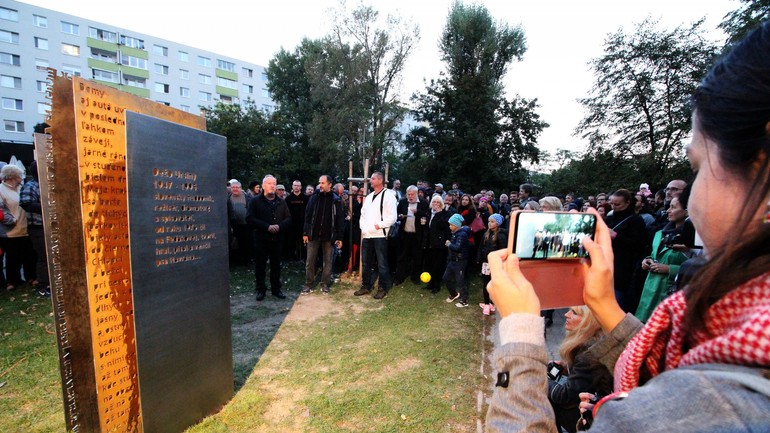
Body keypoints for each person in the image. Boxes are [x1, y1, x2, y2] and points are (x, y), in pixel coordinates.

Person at [484, 22, 770, 432]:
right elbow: (663, 380)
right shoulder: (738, 342)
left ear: (760, 172)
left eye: (698, 167)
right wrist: (605, 306)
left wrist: (520, 337)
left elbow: (671, 404)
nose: (690, 199)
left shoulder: (715, 409)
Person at [547, 306, 612, 433]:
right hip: (598, 409)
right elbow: (587, 379)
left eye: (574, 313)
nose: (566, 314)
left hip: (592, 420)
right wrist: (566, 367)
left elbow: (565, 396)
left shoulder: (588, 354)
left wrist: (544, 382)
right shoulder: (594, 342)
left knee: (546, 398)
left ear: (588, 322)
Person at [634, 195, 690, 322]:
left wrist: (670, 269)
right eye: (668, 207)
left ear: (687, 211)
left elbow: (700, 267)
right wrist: (647, 260)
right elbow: (655, 255)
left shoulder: (692, 239)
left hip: (671, 293)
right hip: (649, 290)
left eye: (673, 207)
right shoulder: (660, 233)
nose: (668, 210)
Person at [247, 175, 291, 301]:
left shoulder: (281, 201)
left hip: (277, 239)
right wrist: (267, 227)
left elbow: (288, 218)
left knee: (276, 265)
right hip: (261, 238)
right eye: (269, 183)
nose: (272, 186)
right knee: (260, 266)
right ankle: (260, 290)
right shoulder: (255, 201)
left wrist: (279, 226)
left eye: (274, 184)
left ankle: (276, 289)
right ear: (263, 186)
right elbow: (250, 218)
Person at [354, 171, 397, 300]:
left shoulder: (388, 195)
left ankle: (383, 288)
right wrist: (363, 228)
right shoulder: (369, 196)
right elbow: (363, 214)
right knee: (366, 262)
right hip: (367, 235)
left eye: (373, 179)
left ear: (380, 180)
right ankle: (366, 285)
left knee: (382, 263)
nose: (370, 181)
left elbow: (392, 217)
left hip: (380, 235)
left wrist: (379, 225)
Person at [604, 189, 647, 313]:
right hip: (607, 266)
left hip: (623, 271)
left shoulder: (636, 221)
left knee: (618, 307)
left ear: (627, 203)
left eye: (617, 204)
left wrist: (616, 236)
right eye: (612, 204)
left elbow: (638, 244)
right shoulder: (609, 218)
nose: (613, 207)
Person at [302, 175, 344, 295]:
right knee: (310, 261)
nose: (320, 185)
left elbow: (340, 220)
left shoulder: (336, 200)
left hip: (329, 236)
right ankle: (308, 284)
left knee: (328, 262)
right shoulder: (313, 198)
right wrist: (305, 232)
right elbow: (307, 216)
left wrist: (339, 238)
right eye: (319, 182)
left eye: (323, 183)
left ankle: (325, 284)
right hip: (313, 235)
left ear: (330, 184)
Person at [0, 164, 34, 291]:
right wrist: (11, 220)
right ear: (12, 176)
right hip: (10, 230)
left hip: (24, 227)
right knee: (12, 257)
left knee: (27, 254)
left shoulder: (20, 188)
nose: (22, 177)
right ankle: (11, 281)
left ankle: (27, 278)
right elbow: (1, 209)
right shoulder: (1, 190)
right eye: (20, 175)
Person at [19, 161, 49, 297]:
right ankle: (42, 286)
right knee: (44, 257)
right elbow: (26, 204)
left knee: (53, 257)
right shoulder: (31, 185)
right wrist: (48, 205)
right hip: (38, 227)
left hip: (50, 226)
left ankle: (53, 284)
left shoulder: (47, 185)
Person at [394, 185, 430, 285]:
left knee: (417, 257)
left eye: (412, 194)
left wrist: (417, 212)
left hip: (417, 235)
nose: (410, 196)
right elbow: (397, 213)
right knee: (402, 257)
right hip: (404, 234)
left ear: (417, 194)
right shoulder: (402, 202)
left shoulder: (423, 203)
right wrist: (400, 216)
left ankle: (415, 277)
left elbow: (427, 215)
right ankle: (399, 277)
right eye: (408, 194)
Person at [478, 214, 506, 316]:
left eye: (492, 221)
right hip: (486, 263)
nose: (489, 223)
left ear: (498, 223)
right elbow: (481, 247)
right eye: (489, 221)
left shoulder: (501, 236)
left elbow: (503, 251)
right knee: (486, 284)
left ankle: (492, 303)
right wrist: (479, 259)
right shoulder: (486, 234)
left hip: (495, 264)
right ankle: (487, 304)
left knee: (493, 284)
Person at [424, 194, 453, 294]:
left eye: (438, 202)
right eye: (434, 202)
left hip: (440, 244)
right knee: (430, 264)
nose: (435, 204)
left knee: (438, 265)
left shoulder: (445, 213)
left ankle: (437, 285)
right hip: (429, 242)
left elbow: (445, 227)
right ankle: (430, 283)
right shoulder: (429, 212)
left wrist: (439, 213)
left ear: (441, 204)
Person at [443, 213, 471, 307]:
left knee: (460, 281)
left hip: (460, 261)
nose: (449, 226)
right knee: (446, 278)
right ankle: (454, 294)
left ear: (457, 225)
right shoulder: (455, 233)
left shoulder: (462, 235)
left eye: (451, 224)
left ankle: (464, 300)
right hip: (453, 260)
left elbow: (457, 247)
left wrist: (449, 244)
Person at [227, 180, 252, 266]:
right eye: (233, 187)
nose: (235, 189)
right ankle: (238, 260)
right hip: (234, 224)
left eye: (237, 187)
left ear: (240, 188)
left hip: (246, 224)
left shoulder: (247, 197)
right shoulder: (228, 197)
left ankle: (247, 260)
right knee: (236, 243)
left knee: (247, 242)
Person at [285, 179, 308, 261]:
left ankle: (303, 258)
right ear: (292, 186)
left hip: (302, 223)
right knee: (291, 241)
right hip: (291, 223)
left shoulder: (305, 198)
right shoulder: (288, 198)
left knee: (303, 241)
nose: (296, 187)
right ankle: (291, 257)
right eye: (295, 185)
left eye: (298, 186)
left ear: (301, 187)